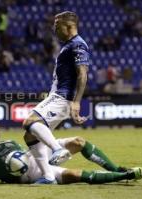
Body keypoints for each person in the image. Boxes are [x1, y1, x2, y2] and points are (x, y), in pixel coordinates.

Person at [0, 120, 142, 185]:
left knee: (79, 141)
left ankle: (117, 169)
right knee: (76, 176)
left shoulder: (9, 141)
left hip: (38, 158)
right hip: (31, 175)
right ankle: (126, 176)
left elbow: (31, 150)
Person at [22, 11, 90, 184]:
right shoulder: (69, 45)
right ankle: (48, 177)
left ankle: (57, 149)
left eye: (57, 25)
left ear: (69, 26)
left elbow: (82, 74)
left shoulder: (78, 45)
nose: (54, 29)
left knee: (29, 122)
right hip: (57, 95)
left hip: (62, 96)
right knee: (30, 136)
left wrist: (76, 102)